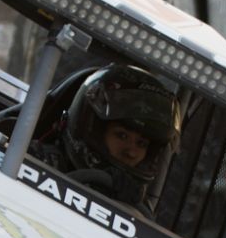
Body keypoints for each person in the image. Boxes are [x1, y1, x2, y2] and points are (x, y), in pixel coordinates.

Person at [33, 64, 182, 211]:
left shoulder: (137, 208)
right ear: (92, 130)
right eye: (122, 136)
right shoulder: (37, 163)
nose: (131, 152)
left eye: (141, 144)